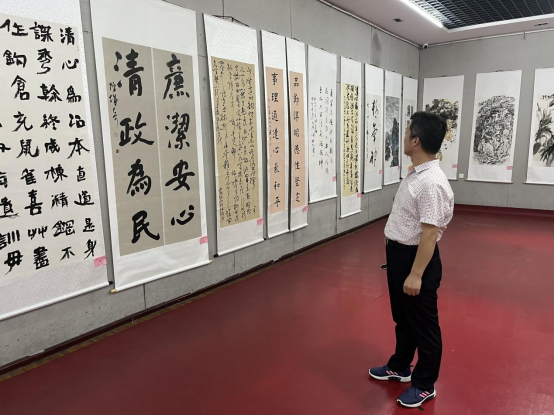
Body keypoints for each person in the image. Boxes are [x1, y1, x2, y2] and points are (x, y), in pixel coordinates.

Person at [369, 112, 454, 409]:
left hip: (415, 259)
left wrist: (416, 275)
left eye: (406, 132)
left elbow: (429, 235)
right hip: (399, 256)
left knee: (424, 326)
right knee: (404, 319)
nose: (403, 136)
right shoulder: (418, 173)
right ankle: (400, 366)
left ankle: (424, 385)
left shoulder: (431, 182)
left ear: (415, 141)